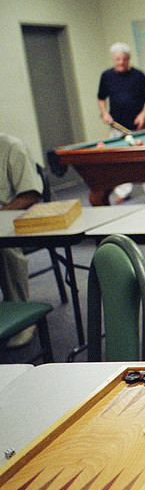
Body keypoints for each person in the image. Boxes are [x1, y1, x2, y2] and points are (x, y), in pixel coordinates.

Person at [97, 42, 145, 202]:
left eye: (124, 59)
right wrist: (104, 113)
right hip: (117, 125)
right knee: (121, 160)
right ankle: (123, 192)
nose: (121, 62)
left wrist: (143, 114)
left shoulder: (139, 75)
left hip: (140, 125)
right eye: (117, 59)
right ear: (112, 59)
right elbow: (101, 99)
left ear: (129, 59)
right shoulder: (106, 76)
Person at [0, 133, 44, 347]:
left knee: (5, 249)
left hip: (11, 218)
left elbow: (30, 195)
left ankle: (21, 318)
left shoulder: (11, 147)